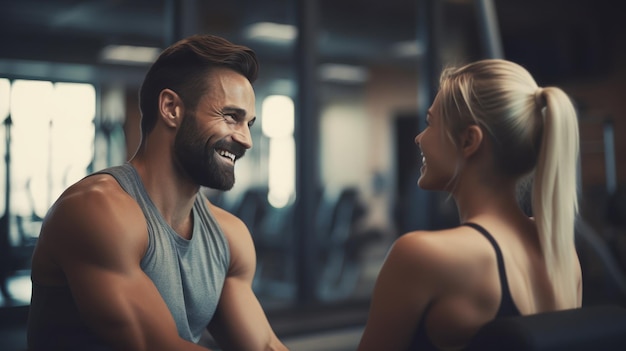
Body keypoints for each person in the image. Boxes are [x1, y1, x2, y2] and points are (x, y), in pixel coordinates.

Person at [27, 34, 288, 351]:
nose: (246, 139)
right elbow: (157, 345)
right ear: (171, 108)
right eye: (231, 117)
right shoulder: (96, 210)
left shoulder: (229, 237)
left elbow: (263, 346)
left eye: (249, 123)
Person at [357, 59, 582, 351]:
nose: (418, 138)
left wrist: (273, 342)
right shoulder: (561, 253)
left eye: (429, 123)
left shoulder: (420, 255)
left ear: (468, 141)